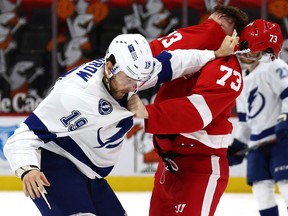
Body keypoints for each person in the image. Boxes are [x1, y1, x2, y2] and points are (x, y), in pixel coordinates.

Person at [3, 32, 236, 215]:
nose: (134, 88)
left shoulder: (128, 73)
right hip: (57, 166)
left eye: (139, 80)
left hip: (92, 174)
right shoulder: (74, 96)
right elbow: (23, 136)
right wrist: (27, 169)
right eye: (129, 80)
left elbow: (174, 61)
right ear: (109, 67)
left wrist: (214, 54)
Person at [128, 15, 281, 216]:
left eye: (259, 54)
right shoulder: (214, 55)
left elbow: (196, 113)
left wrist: (148, 112)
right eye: (254, 51)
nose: (253, 57)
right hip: (173, 163)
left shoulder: (230, 71)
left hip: (198, 166)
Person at [227, 19, 287, 216]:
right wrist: (237, 145)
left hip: (280, 140)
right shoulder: (242, 79)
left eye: (249, 48)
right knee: (261, 190)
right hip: (257, 144)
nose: (244, 53)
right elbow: (245, 122)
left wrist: (284, 119)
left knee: (286, 184)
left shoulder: (274, 66)